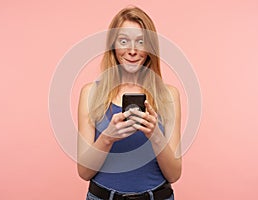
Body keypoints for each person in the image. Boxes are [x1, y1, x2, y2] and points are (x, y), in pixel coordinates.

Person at [77, 6, 182, 200]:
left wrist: (155, 135)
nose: (132, 51)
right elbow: (84, 172)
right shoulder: (90, 94)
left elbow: (174, 174)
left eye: (140, 42)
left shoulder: (169, 96)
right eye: (124, 41)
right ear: (113, 45)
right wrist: (107, 137)